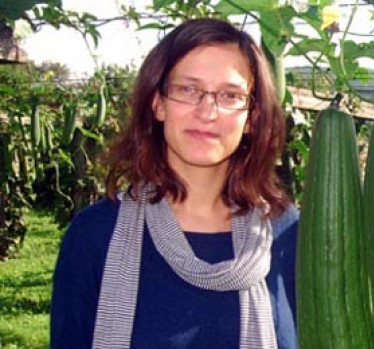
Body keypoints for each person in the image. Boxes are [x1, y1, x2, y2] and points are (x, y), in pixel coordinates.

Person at [49, 18, 298, 349]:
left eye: (230, 94)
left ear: (252, 117)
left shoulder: (287, 234)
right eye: (188, 89)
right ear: (158, 103)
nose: (207, 111)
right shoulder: (95, 236)